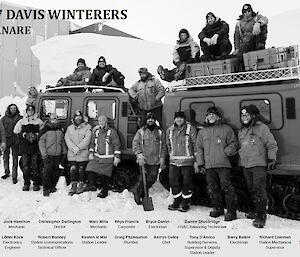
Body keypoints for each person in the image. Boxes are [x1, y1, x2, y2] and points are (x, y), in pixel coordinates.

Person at [238, 105, 278, 228]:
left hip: (258, 164)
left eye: (247, 115)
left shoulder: (262, 128)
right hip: (246, 165)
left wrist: (271, 158)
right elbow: (241, 147)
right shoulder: (242, 131)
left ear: (252, 116)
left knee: (259, 190)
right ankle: (256, 211)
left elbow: (271, 143)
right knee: (251, 189)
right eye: (243, 115)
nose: (244, 118)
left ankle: (261, 217)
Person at [196, 107, 238, 221]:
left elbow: (234, 143)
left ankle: (231, 212)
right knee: (212, 188)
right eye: (209, 115)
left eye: (213, 115)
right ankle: (218, 208)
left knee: (227, 188)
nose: (211, 117)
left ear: (218, 117)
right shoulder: (202, 132)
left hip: (223, 165)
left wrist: (226, 152)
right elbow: (199, 148)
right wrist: (200, 163)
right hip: (209, 166)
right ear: (206, 117)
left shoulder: (226, 129)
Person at [166, 111, 198, 212]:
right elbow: (167, 145)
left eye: (181, 118)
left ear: (184, 119)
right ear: (174, 119)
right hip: (174, 162)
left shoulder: (190, 129)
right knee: (173, 182)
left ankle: (185, 203)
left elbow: (196, 146)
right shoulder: (170, 130)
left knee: (187, 183)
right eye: (177, 118)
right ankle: (177, 201)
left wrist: (196, 162)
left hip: (187, 162)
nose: (179, 120)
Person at [132, 112, 166, 205]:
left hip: (155, 160)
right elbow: (135, 144)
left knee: (152, 178)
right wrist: (139, 155)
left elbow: (163, 146)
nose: (150, 120)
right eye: (149, 119)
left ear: (155, 121)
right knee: (143, 178)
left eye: (152, 119)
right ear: (146, 120)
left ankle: (139, 192)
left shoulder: (160, 132)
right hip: (144, 160)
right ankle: (141, 195)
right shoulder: (141, 131)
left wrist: (162, 157)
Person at [85, 116, 121, 198]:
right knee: (89, 169)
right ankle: (92, 185)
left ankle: (105, 190)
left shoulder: (112, 132)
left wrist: (117, 156)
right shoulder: (96, 132)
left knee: (106, 175)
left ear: (106, 122)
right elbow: (92, 144)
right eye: (99, 121)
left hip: (108, 158)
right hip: (97, 157)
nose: (101, 123)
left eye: (103, 121)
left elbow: (116, 144)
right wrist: (91, 153)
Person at [13, 105, 43, 191]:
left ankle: (36, 184)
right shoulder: (21, 121)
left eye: (32, 110)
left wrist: (36, 135)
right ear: (26, 111)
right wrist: (24, 135)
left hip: (35, 147)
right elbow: (16, 131)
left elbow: (42, 132)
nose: (30, 111)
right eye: (29, 110)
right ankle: (26, 183)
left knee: (35, 165)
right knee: (25, 166)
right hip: (25, 147)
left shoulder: (38, 121)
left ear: (34, 111)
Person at [38, 114, 67, 197]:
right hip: (48, 155)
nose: (54, 121)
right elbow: (41, 143)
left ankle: (52, 186)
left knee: (55, 171)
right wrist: (44, 155)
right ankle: (46, 188)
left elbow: (62, 142)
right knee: (47, 172)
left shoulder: (59, 130)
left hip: (57, 155)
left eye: (56, 120)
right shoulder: (45, 130)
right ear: (50, 120)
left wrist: (64, 153)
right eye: (53, 120)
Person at [65, 110, 92, 195]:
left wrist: (78, 147)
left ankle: (81, 184)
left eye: (80, 117)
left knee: (82, 170)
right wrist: (73, 148)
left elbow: (87, 139)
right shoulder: (70, 128)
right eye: (76, 118)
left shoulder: (87, 127)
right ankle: (73, 185)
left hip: (83, 153)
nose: (78, 119)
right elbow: (67, 139)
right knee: (73, 169)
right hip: (72, 153)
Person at [1, 104, 22, 183]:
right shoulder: (4, 119)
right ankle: (6, 172)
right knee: (5, 158)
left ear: (16, 109)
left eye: (14, 108)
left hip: (16, 140)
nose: (13, 109)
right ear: (9, 109)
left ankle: (14, 176)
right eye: (11, 108)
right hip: (6, 140)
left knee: (15, 159)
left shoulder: (20, 118)